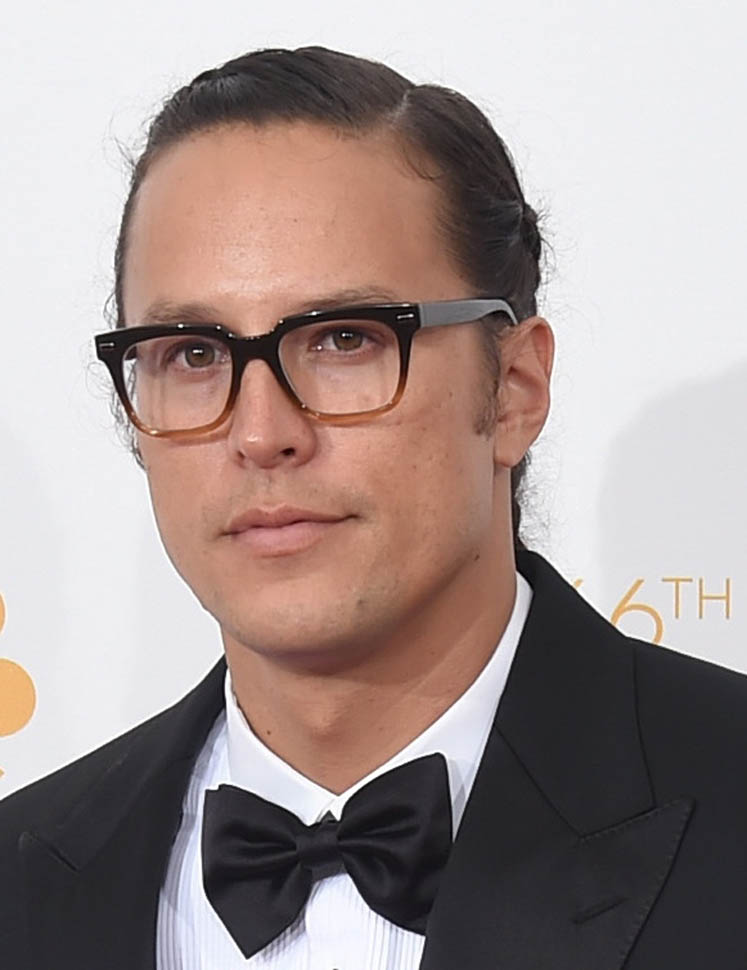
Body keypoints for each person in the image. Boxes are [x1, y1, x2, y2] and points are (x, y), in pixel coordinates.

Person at [1, 45, 746, 970]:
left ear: (513, 388)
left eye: (343, 339)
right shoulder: (21, 886)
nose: (261, 432)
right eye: (193, 354)